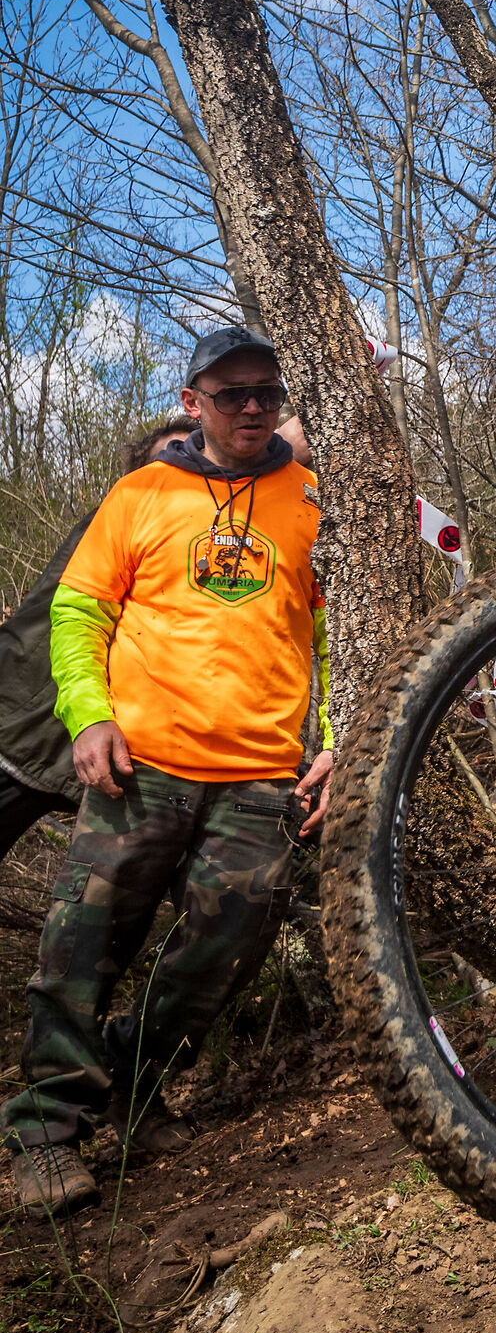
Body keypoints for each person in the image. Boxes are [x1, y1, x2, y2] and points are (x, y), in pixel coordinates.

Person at [2, 330, 332, 1219]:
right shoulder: (141, 493)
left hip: (265, 772)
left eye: (267, 390)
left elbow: (335, 639)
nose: (253, 407)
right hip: (139, 767)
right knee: (81, 947)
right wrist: (89, 716)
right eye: (233, 394)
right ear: (194, 401)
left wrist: (333, 741)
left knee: (218, 956)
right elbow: (76, 613)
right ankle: (43, 1134)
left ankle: (133, 1089)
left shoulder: (308, 499)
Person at [0, 418, 198, 871]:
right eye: (174, 454)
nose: (190, 464)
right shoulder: (121, 516)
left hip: (97, 758)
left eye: (198, 453)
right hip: (19, 731)